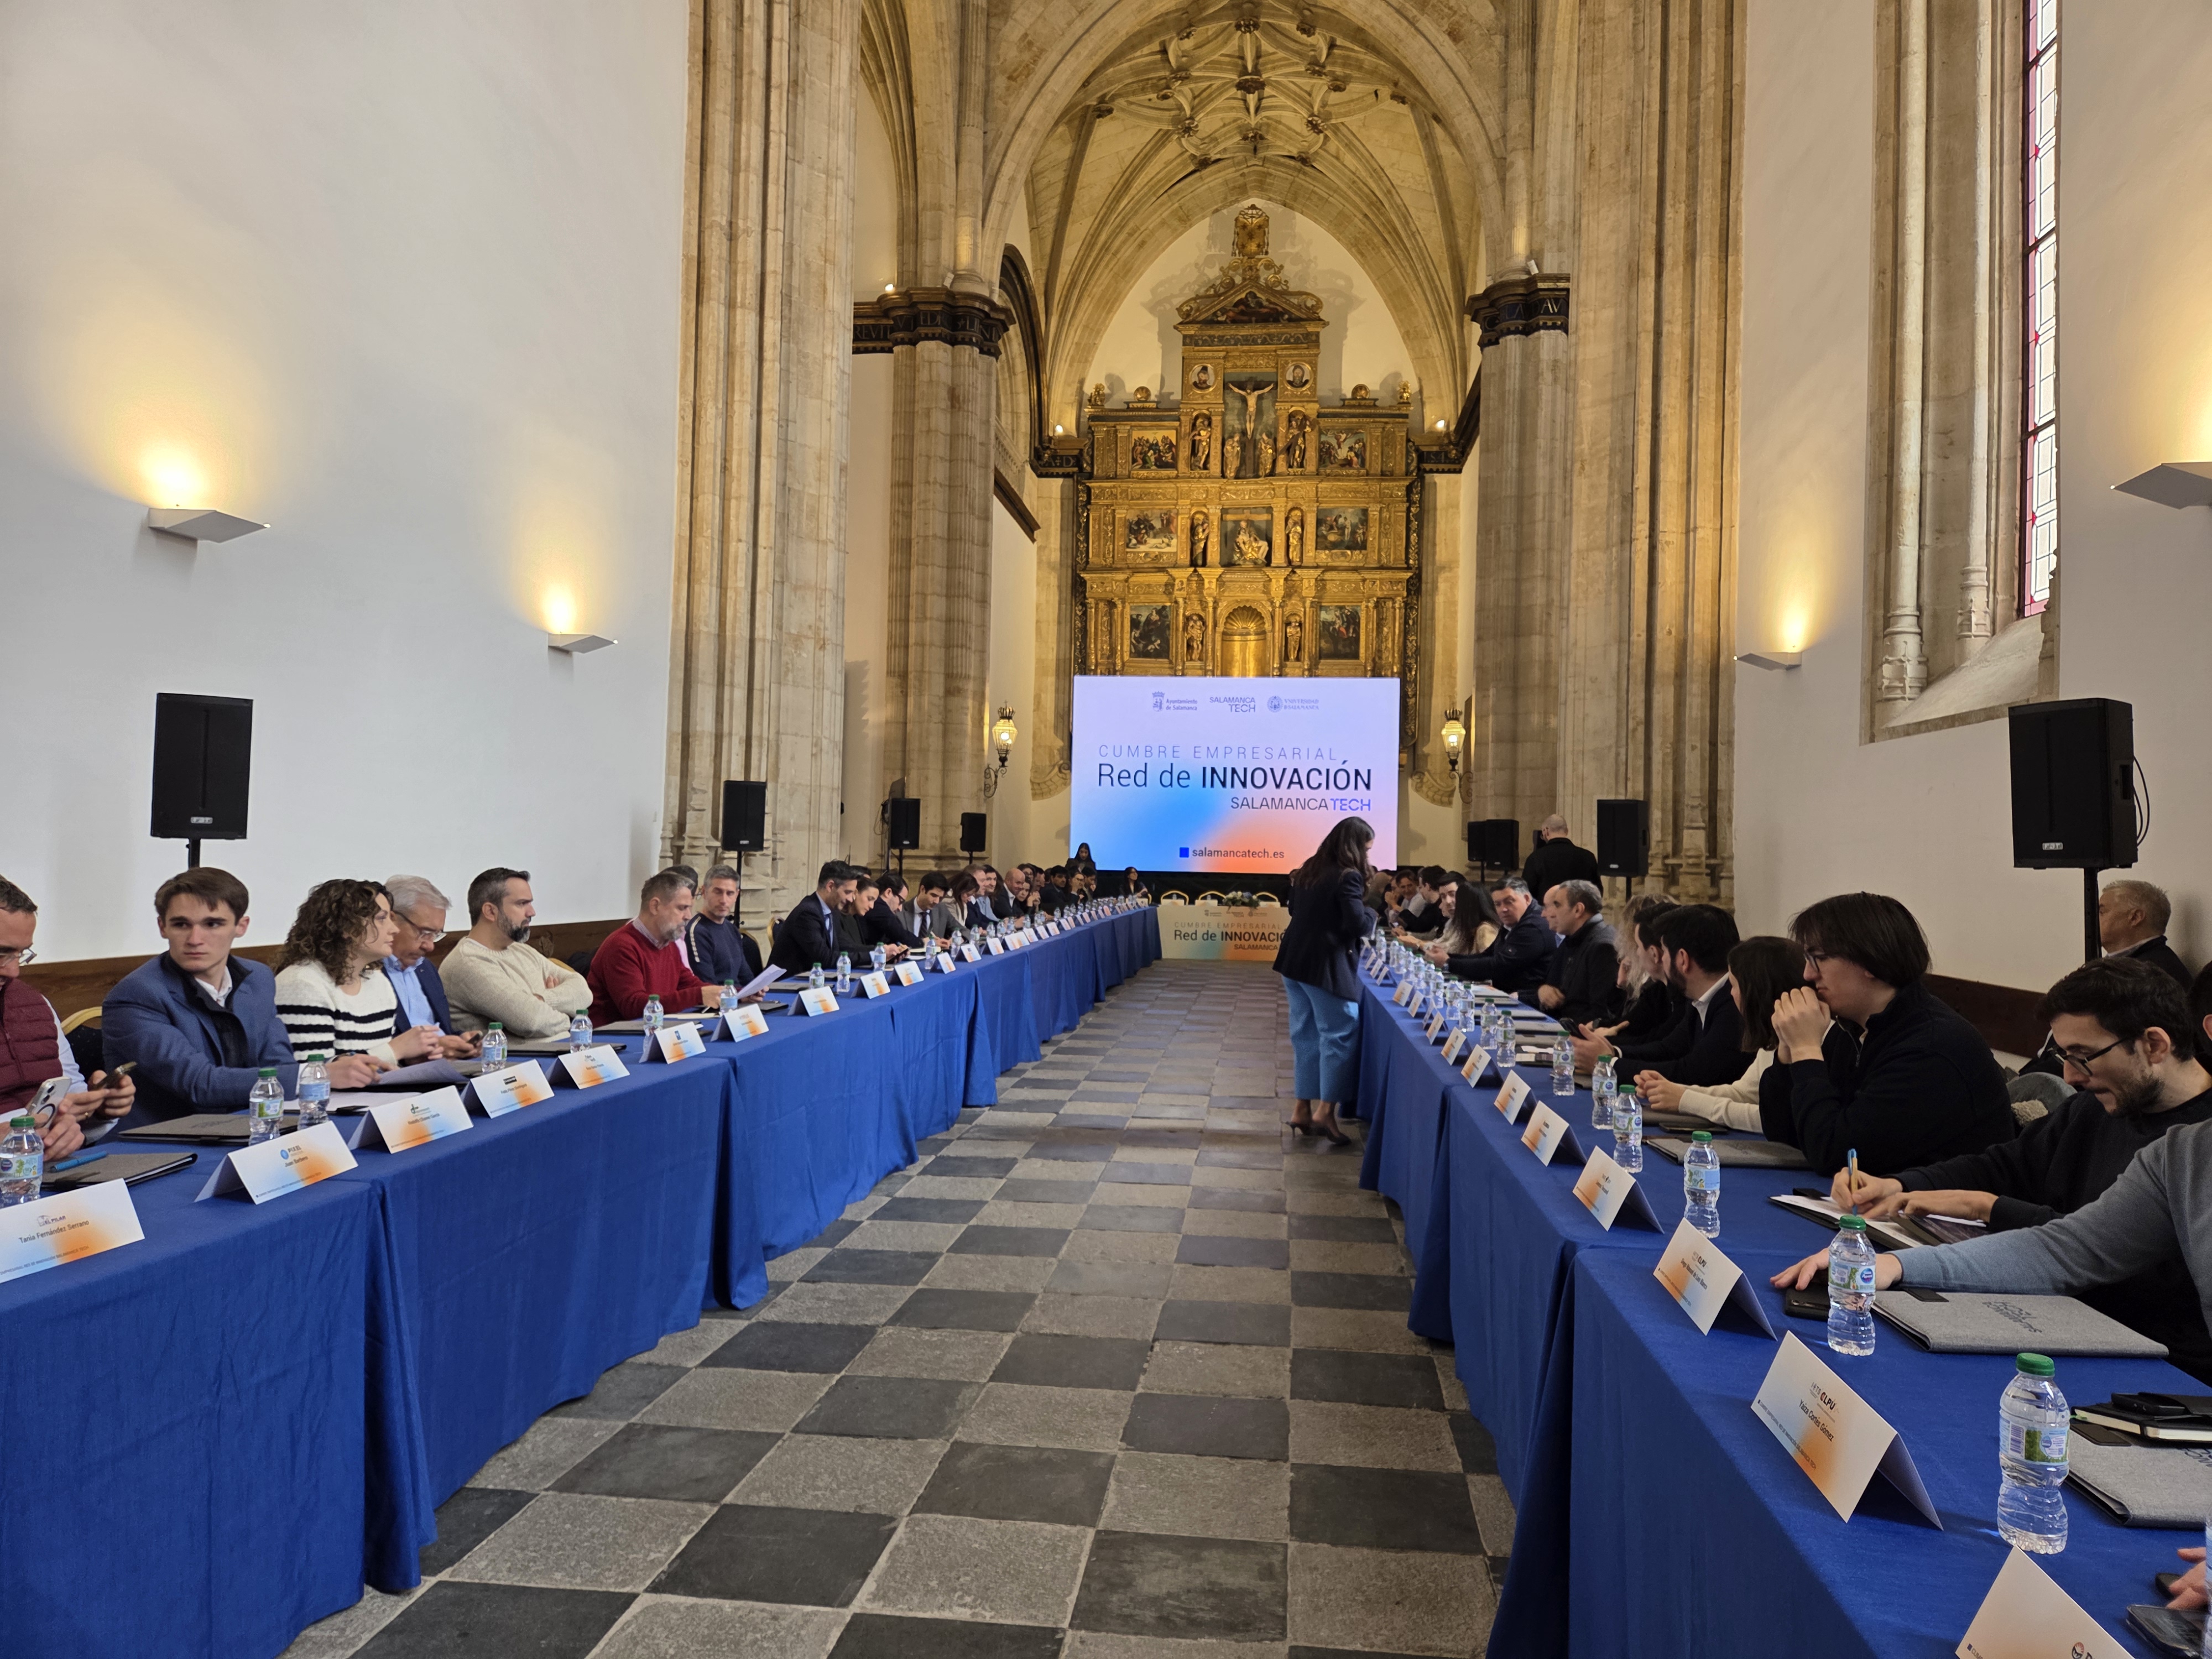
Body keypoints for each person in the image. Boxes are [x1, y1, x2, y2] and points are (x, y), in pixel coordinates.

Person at [1772, 961, 2212, 1383]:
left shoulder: (2179, 1139)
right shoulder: (2177, 1150)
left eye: (2084, 1056)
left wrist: (1989, 1208)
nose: (2070, 1076)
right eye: (2064, 1055)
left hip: (2161, 1358)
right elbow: (2065, 1245)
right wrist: (1893, 1252)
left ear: (2155, 1045)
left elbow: (2142, 1278)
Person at [1756, 891, 2013, 1177]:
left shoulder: (1933, 1047)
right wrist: (1788, 1052)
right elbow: (1784, 1135)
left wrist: (1806, 1050)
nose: (1807, 974)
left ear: (1870, 961)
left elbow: (1837, 1155)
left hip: (1942, 1204)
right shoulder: (1850, 1029)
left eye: (1819, 958)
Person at [107, 868, 375, 1126]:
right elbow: (200, 1084)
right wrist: (315, 1075)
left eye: (213, 924)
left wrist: (323, 1073)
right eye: (181, 925)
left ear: (241, 926)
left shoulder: (258, 979)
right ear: (162, 927)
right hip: (161, 1142)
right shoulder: (137, 994)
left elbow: (278, 1064)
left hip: (248, 1126)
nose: (195, 939)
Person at [0, 875, 135, 1155]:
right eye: (2, 953)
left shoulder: (35, 1004)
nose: (14, 971)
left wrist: (97, 1112)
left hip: (50, 1168)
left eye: (21, 954)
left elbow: (70, 1100)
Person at [1272, 815, 1377, 1146]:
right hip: (1324, 965)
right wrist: (1372, 912)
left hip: (1294, 961)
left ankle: (1301, 1108)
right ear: (1355, 847)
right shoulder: (1349, 876)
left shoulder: (1308, 869)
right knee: (1340, 1033)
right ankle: (1325, 1112)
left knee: (1304, 1035)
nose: (1367, 856)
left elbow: (1294, 911)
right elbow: (1357, 924)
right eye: (1366, 849)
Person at [273, 880, 447, 1070]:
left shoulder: (378, 981)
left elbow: (381, 1064)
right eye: (382, 919)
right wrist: (394, 1051)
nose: (394, 929)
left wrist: (408, 1060)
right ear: (348, 928)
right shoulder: (302, 983)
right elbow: (312, 1074)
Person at [1636, 935, 1799, 1131]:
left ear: (1754, 992)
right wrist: (1671, 1090)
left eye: (1734, 985)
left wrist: (1685, 1100)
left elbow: (1769, 1118)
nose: (1731, 993)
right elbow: (1742, 1093)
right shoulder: (1774, 1037)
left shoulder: (1806, 1038)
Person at [1574, 904, 1747, 1086]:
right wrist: (1614, 1053)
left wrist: (1609, 1065)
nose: (1662, 959)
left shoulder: (1735, 1006)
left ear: (1682, 959)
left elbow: (1691, 1073)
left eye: (1665, 951)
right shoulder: (1701, 999)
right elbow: (1668, 1049)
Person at [440, 868, 595, 1040]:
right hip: (516, 1057)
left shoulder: (521, 949)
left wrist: (543, 999)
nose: (532, 912)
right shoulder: (468, 963)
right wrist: (570, 1016)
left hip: (565, 1048)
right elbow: (532, 1021)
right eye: (522, 904)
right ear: (490, 911)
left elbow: (584, 992)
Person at [381, 875, 480, 1057]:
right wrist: (434, 1047)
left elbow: (441, 1030)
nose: (430, 946)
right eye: (425, 933)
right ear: (392, 920)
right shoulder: (367, 973)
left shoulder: (426, 969)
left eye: (436, 935)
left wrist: (459, 1041)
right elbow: (375, 1047)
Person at [589, 870, 708, 1021]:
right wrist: (699, 995)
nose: (688, 916)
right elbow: (633, 1007)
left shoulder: (668, 945)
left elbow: (690, 985)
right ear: (655, 906)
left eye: (689, 908)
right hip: (613, 1034)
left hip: (651, 1029)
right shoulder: (621, 946)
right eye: (681, 908)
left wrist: (729, 993)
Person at [1583, 895, 1679, 1046]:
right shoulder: (1658, 984)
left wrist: (1609, 1039)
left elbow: (1659, 1040)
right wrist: (1620, 987)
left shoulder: (1662, 985)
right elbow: (1630, 1022)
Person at [1525, 879, 1618, 1027]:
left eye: (1557, 905)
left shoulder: (1602, 947)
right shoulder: (1573, 938)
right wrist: (1543, 990)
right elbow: (1556, 988)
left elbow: (1601, 1016)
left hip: (1575, 1034)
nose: (1551, 913)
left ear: (1578, 910)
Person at [1443, 878, 1554, 992]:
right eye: (1498, 904)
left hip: (1523, 997)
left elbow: (1500, 966)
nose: (1503, 909)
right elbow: (1488, 955)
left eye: (1509, 902)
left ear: (1526, 899)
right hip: (1504, 992)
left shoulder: (1533, 927)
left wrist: (1449, 963)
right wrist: (1448, 958)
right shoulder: (1513, 922)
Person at [2099, 879, 2192, 989]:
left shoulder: (2152, 975)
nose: (2091, 919)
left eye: (2101, 912)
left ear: (2135, 918)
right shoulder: (2129, 968)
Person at [684, 863, 764, 988]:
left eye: (730, 893)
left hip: (737, 997)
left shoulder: (732, 929)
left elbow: (745, 976)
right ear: (704, 892)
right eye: (718, 892)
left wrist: (756, 990)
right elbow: (708, 987)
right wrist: (743, 995)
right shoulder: (697, 932)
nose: (724, 900)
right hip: (719, 999)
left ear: (737, 895)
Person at [773, 861, 857, 973]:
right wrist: (872, 956)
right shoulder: (807, 914)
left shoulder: (832, 912)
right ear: (831, 886)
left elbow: (847, 947)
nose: (851, 899)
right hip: (789, 981)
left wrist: (877, 952)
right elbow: (825, 959)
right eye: (848, 892)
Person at [1521, 816, 1600, 919]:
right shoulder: (1588, 857)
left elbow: (1526, 893)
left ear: (1546, 831)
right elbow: (1596, 892)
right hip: (1579, 918)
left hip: (1548, 919)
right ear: (1566, 831)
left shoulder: (1535, 858)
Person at [1412, 875, 1499, 963]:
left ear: (1470, 905)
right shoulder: (1465, 925)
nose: (1448, 902)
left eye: (1454, 897)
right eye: (1443, 897)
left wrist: (1418, 944)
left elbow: (1490, 964)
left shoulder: (1485, 929)